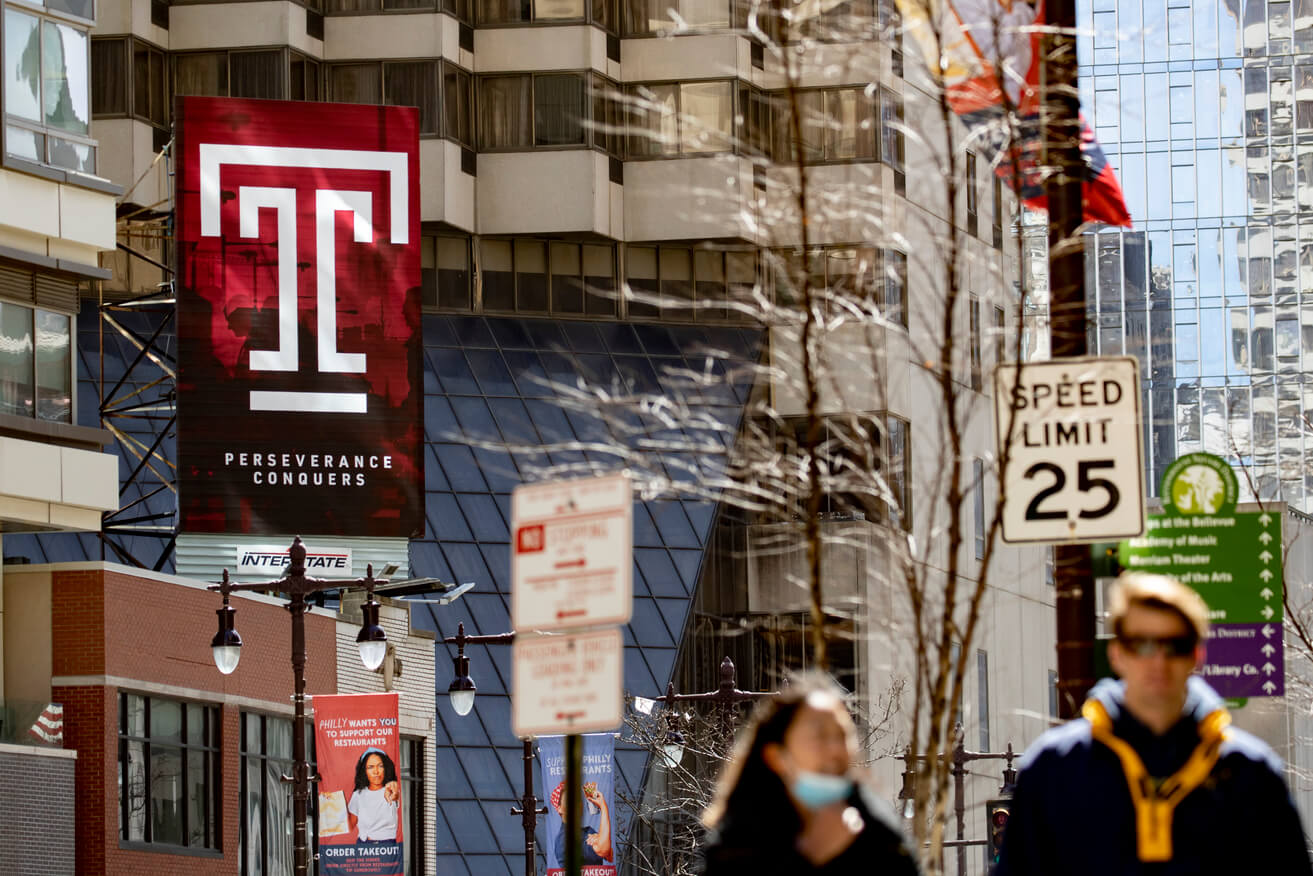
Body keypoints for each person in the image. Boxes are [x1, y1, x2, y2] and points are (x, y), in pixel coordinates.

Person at [995, 571, 1313, 875]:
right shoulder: (1054, 769)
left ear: (1196, 655)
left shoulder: (1251, 772)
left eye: (1174, 645)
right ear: (1117, 653)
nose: (1158, 660)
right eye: (1142, 644)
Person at [700, 674, 921, 875]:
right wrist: (810, 855)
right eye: (820, 735)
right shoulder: (736, 845)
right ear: (777, 756)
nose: (835, 749)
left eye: (842, 735)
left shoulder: (881, 834)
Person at [549, 780, 613, 865]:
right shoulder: (564, 839)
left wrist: (600, 839)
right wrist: (603, 807)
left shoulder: (586, 831)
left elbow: (609, 854)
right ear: (559, 808)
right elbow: (603, 849)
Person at [347, 748, 401, 842]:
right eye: (370, 767)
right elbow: (350, 826)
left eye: (380, 766)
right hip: (363, 845)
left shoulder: (390, 789)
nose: (376, 771)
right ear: (364, 771)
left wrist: (394, 792)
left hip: (386, 846)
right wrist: (334, 805)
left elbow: (395, 795)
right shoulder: (358, 795)